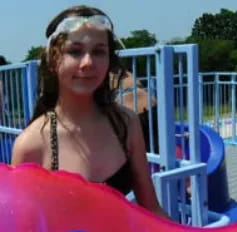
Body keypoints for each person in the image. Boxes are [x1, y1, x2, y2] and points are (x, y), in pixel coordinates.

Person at [10, 5, 166, 217]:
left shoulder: (125, 124)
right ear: (53, 60)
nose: (88, 63)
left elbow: (152, 209)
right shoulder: (32, 145)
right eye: (75, 51)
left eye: (99, 51)